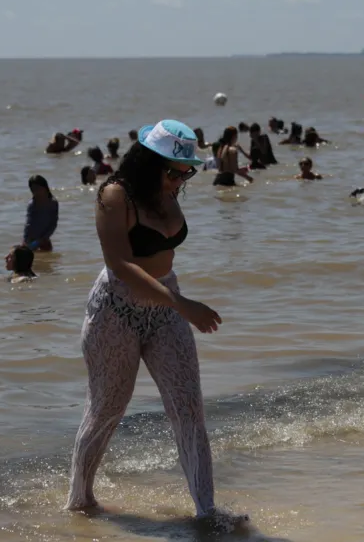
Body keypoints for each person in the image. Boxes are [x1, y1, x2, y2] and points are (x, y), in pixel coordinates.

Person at [65, 119, 237, 523]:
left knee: (188, 407)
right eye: (174, 170)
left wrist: (175, 304)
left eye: (187, 171)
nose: (181, 178)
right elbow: (121, 264)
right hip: (116, 311)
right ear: (147, 161)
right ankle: (79, 501)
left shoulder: (168, 192)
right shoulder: (114, 196)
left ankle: (206, 511)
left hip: (164, 308)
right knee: (108, 408)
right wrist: (183, 304)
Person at [23, 175, 59, 251]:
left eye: (38, 189)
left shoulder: (53, 203)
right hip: (31, 239)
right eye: (33, 190)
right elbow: (29, 224)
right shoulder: (32, 205)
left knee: (46, 260)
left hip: (45, 239)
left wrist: (44, 238)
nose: (36, 192)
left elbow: (53, 223)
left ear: (45, 187)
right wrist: (26, 241)